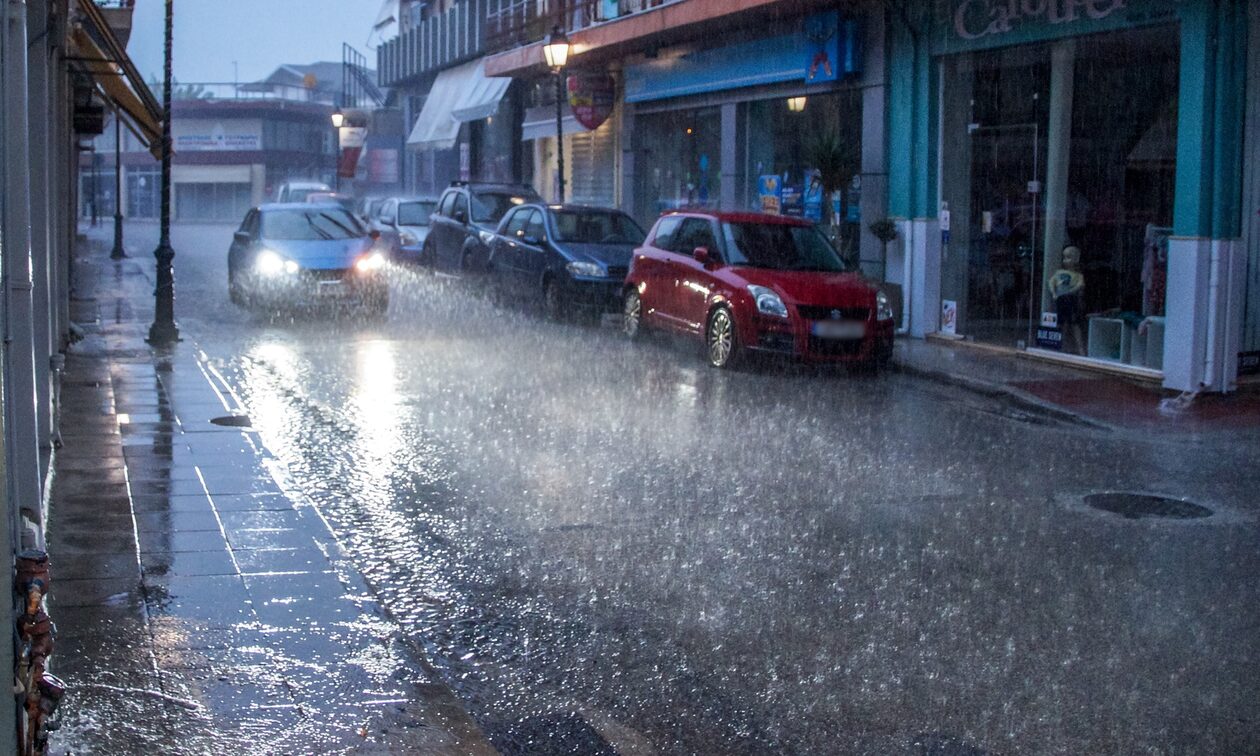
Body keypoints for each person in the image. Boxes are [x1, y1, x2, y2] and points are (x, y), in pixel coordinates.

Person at [1049, 245, 1085, 354]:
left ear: (1076, 259)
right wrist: (1054, 293)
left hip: (1071, 300)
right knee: (1061, 323)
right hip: (1061, 300)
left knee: (1074, 324)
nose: (1065, 260)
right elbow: (1051, 282)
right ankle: (1060, 345)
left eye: (1069, 257)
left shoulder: (1078, 275)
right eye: (1064, 258)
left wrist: (1072, 291)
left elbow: (1080, 285)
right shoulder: (1058, 273)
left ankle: (1080, 348)